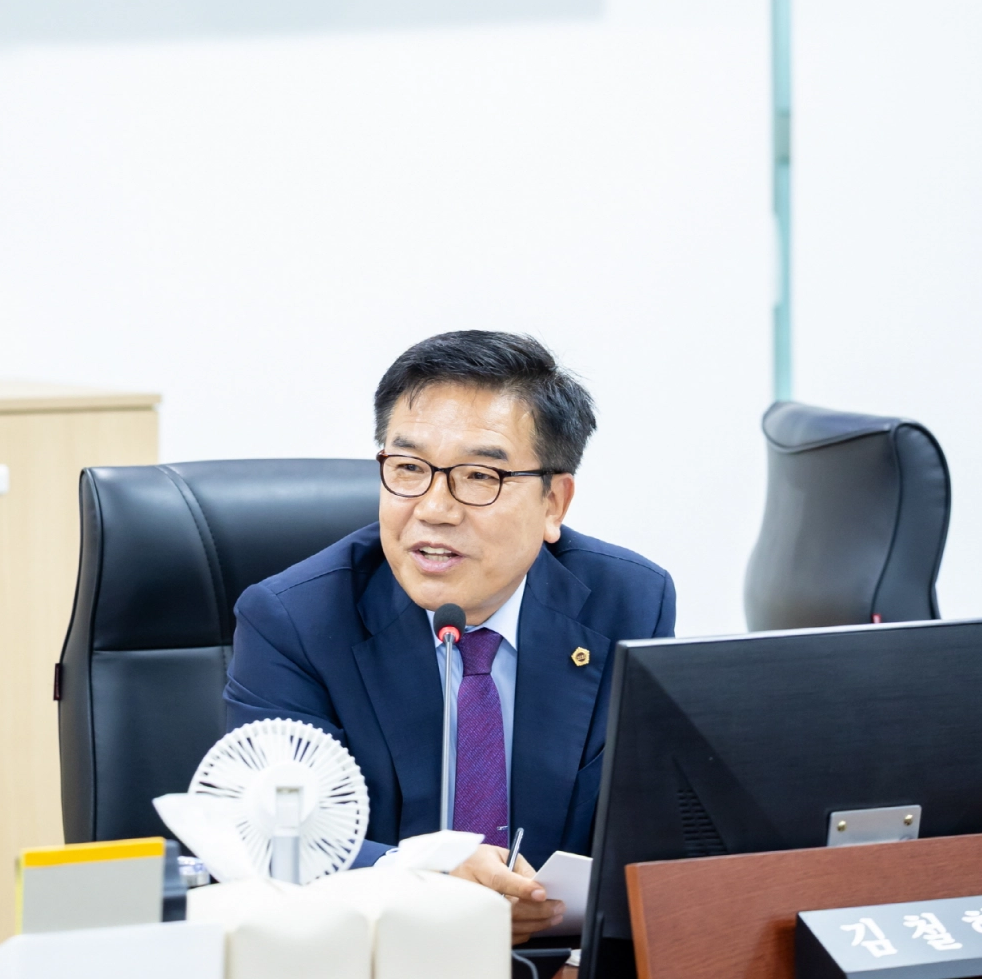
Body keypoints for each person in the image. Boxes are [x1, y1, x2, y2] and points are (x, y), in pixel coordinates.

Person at [225, 330, 674, 943]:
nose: (434, 509)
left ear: (553, 503)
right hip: (374, 961)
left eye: (479, 476)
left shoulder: (629, 603)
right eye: (408, 469)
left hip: (562, 968)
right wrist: (420, 879)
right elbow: (273, 839)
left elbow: (657, 823)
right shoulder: (295, 621)